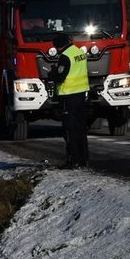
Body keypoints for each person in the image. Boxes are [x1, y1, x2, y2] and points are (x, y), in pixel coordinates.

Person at [49, 32, 90, 168]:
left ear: (59, 46)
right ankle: (84, 159)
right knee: (80, 128)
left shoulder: (65, 56)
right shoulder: (78, 52)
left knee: (69, 130)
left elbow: (61, 78)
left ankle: (73, 160)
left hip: (68, 96)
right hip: (80, 95)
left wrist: (52, 73)